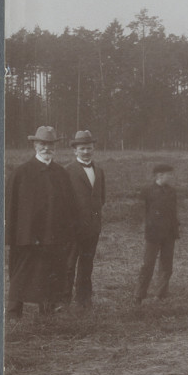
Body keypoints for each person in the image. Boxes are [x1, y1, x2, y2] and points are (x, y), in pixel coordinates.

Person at [6, 125, 77, 318]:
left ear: (55, 147)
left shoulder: (61, 173)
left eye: (50, 144)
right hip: (26, 237)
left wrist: (67, 232)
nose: (46, 148)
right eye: (42, 144)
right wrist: (14, 236)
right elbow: (11, 207)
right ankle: (13, 313)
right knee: (21, 273)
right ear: (35, 145)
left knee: (51, 271)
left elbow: (69, 206)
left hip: (53, 236)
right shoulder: (21, 173)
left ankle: (48, 311)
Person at [63, 129, 107, 308]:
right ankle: (63, 299)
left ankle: (84, 299)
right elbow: (64, 201)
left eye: (89, 148)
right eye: (82, 148)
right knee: (68, 265)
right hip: (73, 228)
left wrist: (93, 219)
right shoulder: (67, 171)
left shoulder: (99, 170)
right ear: (75, 150)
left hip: (92, 228)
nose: (86, 152)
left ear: (93, 148)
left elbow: (101, 198)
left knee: (87, 264)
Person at [135, 163, 180, 304]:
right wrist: (148, 227)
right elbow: (141, 211)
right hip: (153, 234)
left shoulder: (172, 191)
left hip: (169, 233)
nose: (171, 177)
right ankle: (139, 296)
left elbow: (173, 212)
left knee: (167, 265)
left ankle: (160, 295)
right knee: (148, 265)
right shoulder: (147, 191)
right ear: (159, 175)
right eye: (169, 174)